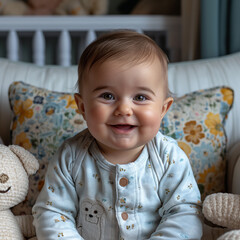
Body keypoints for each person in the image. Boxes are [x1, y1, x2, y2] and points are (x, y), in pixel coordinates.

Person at [33, 30, 203, 239]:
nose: (124, 109)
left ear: (163, 109)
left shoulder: (168, 157)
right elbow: (52, 213)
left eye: (140, 97)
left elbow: (185, 213)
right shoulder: (71, 156)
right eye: (108, 96)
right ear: (83, 106)